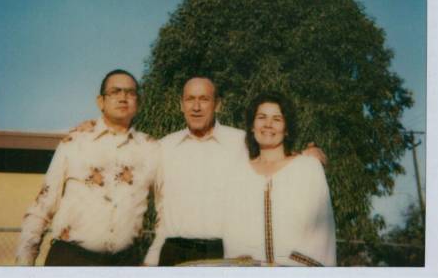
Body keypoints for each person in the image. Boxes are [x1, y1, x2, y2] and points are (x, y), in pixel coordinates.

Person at [144, 77, 327, 266]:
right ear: (181, 105)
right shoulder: (163, 148)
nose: (196, 107)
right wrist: (151, 259)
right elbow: (156, 208)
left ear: (218, 105)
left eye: (204, 99)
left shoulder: (241, 142)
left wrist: (304, 156)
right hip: (174, 252)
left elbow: (273, 158)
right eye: (190, 99)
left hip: (223, 253)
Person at [16, 69, 160, 266]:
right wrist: (24, 264)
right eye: (115, 92)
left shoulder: (152, 149)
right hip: (70, 260)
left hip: (125, 264)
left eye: (130, 92)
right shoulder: (74, 142)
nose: (123, 98)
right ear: (101, 101)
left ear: (139, 102)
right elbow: (43, 205)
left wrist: (152, 260)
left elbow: (165, 208)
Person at [223, 91, 336, 266]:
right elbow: (231, 232)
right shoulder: (238, 174)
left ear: (287, 129)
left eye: (277, 119)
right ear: (252, 126)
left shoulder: (307, 168)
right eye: (261, 117)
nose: (268, 124)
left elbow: (321, 231)